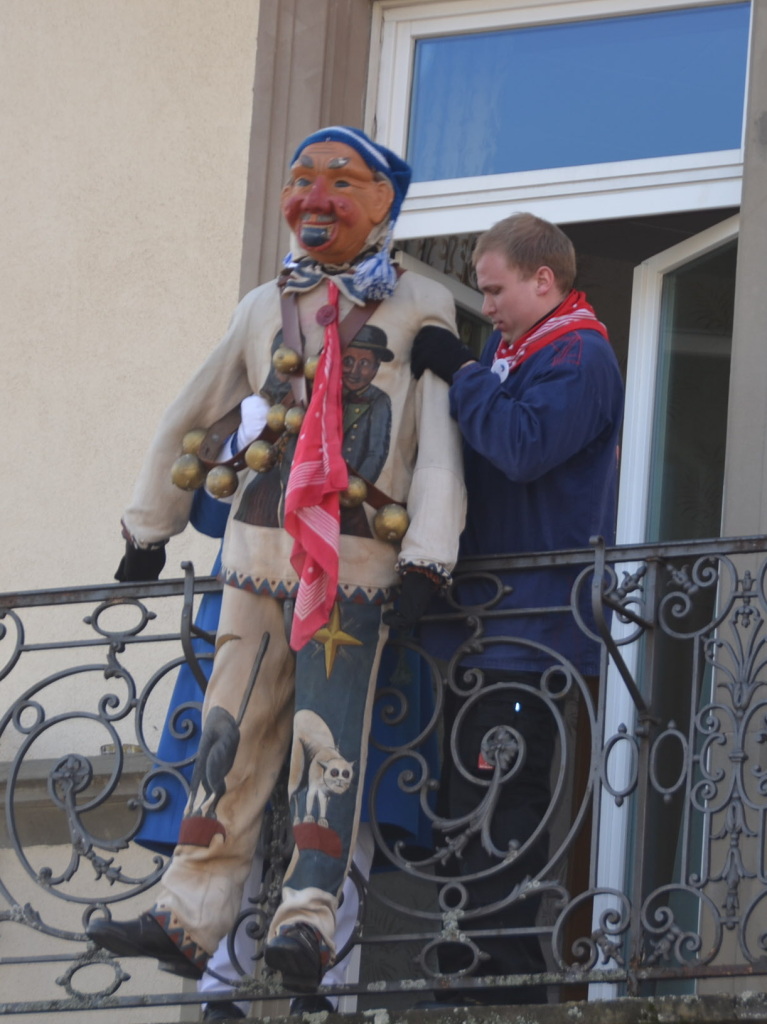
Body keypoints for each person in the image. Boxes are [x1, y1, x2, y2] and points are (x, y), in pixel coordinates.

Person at [87, 124, 465, 996]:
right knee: (230, 735)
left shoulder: (422, 304)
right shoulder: (264, 304)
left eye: (340, 180)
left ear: (383, 204)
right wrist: (150, 526)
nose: (313, 198)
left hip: (356, 562)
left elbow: (435, 438)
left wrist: (430, 553)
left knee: (324, 747)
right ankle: (187, 912)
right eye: (300, 180)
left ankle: (305, 923)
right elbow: (197, 405)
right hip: (257, 554)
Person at [411, 212, 624, 1005]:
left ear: (545, 280)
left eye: (495, 289)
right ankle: (468, 952)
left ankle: (504, 974)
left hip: (529, 628)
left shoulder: (579, 355)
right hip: (485, 622)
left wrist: (462, 374)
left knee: (503, 799)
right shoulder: (518, 352)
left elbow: (524, 447)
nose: (487, 305)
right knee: (462, 804)